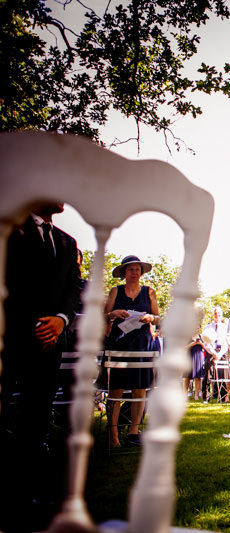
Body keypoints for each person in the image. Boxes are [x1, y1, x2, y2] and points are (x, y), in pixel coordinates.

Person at [0, 203, 81, 530]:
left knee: (37, 415)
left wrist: (60, 321)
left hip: (52, 343)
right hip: (11, 337)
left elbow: (73, 288)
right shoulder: (9, 228)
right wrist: (36, 325)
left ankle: (25, 497)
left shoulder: (66, 241)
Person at [102, 255, 161, 447]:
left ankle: (133, 431)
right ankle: (113, 435)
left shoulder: (149, 292)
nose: (134, 272)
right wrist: (113, 314)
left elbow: (158, 317)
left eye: (137, 269)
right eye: (130, 269)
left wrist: (150, 318)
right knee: (116, 389)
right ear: (124, 273)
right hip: (120, 343)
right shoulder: (115, 291)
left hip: (142, 344)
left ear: (141, 272)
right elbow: (103, 316)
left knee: (139, 388)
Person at [201, 306, 228, 402]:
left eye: (219, 313)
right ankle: (206, 397)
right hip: (210, 352)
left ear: (222, 315)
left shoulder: (225, 327)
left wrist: (219, 354)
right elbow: (205, 343)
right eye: (215, 313)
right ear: (213, 315)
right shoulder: (207, 327)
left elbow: (226, 342)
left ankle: (222, 397)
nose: (217, 315)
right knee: (208, 375)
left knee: (222, 375)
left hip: (222, 352)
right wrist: (213, 353)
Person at [185, 328, 204, 400]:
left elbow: (206, 348)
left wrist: (201, 344)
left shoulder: (202, 336)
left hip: (198, 356)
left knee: (197, 377)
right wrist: (192, 344)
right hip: (189, 356)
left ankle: (196, 394)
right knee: (187, 377)